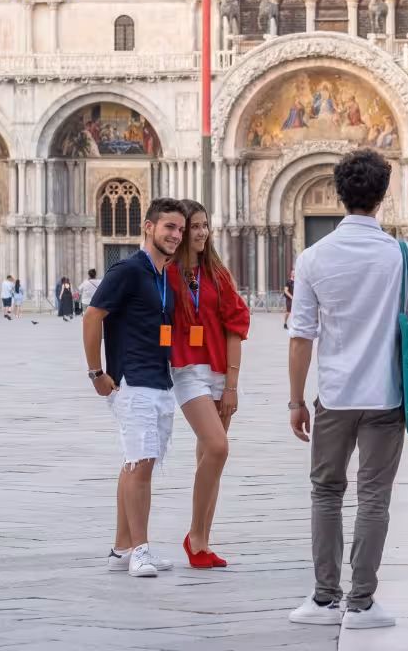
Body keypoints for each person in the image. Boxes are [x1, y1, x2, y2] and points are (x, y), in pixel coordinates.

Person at [286, 148, 408, 630]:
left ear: (339, 194)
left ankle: (325, 599)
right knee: (374, 498)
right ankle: (361, 602)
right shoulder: (404, 255)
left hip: (335, 397)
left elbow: (301, 334)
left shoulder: (313, 257)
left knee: (326, 492)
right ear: (382, 196)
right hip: (387, 396)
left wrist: (296, 400)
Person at [82, 198, 187, 578]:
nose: (175, 235)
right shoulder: (128, 269)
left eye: (179, 229)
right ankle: (141, 549)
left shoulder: (162, 276)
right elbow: (93, 315)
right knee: (140, 465)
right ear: (148, 227)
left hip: (160, 380)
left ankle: (123, 548)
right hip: (133, 381)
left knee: (136, 463)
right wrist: (96, 372)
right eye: (168, 227)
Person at [168, 199, 250, 569]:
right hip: (186, 371)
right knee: (218, 447)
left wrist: (231, 385)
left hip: (219, 372)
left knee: (209, 459)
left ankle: (202, 540)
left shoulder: (217, 273)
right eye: (193, 226)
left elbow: (236, 326)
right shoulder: (166, 273)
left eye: (204, 225)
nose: (200, 233)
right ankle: (195, 537)